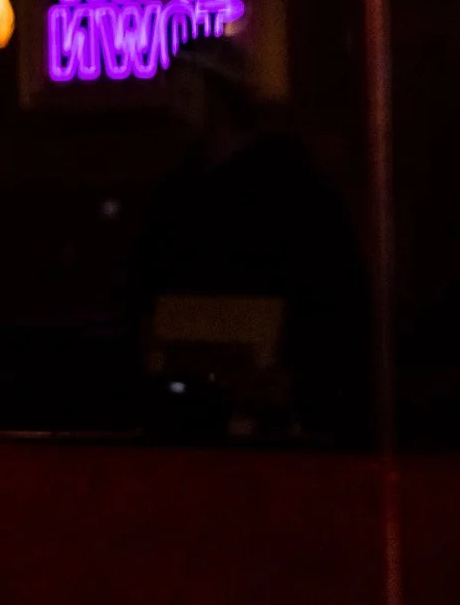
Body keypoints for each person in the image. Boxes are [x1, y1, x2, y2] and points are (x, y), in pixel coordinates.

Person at [134, 30, 371, 441]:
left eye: (186, 94)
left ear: (220, 98)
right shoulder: (176, 194)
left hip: (275, 415)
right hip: (189, 408)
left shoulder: (292, 189)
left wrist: (294, 375)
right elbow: (146, 288)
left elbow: (336, 296)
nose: (174, 108)